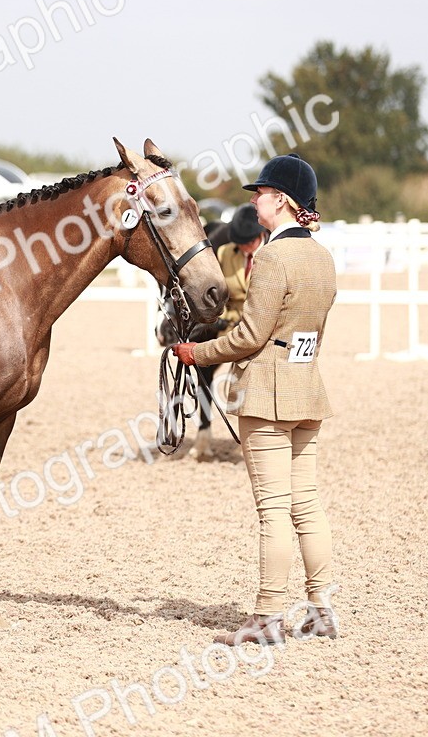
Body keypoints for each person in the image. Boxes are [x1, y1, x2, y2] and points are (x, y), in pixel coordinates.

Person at [170, 154, 338, 645]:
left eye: (261, 193)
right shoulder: (322, 257)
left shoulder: (271, 258)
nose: (254, 200)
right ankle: (321, 608)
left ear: (281, 201)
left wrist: (196, 353)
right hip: (307, 386)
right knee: (306, 504)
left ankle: (267, 617)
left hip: (267, 395)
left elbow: (248, 336)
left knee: (273, 510)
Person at [189, 204, 268, 460]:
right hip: (229, 324)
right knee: (202, 360)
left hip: (260, 327)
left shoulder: (272, 255)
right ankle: (203, 431)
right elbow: (218, 294)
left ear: (259, 238)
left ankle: (259, 438)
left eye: (247, 243)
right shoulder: (225, 253)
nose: (241, 248)